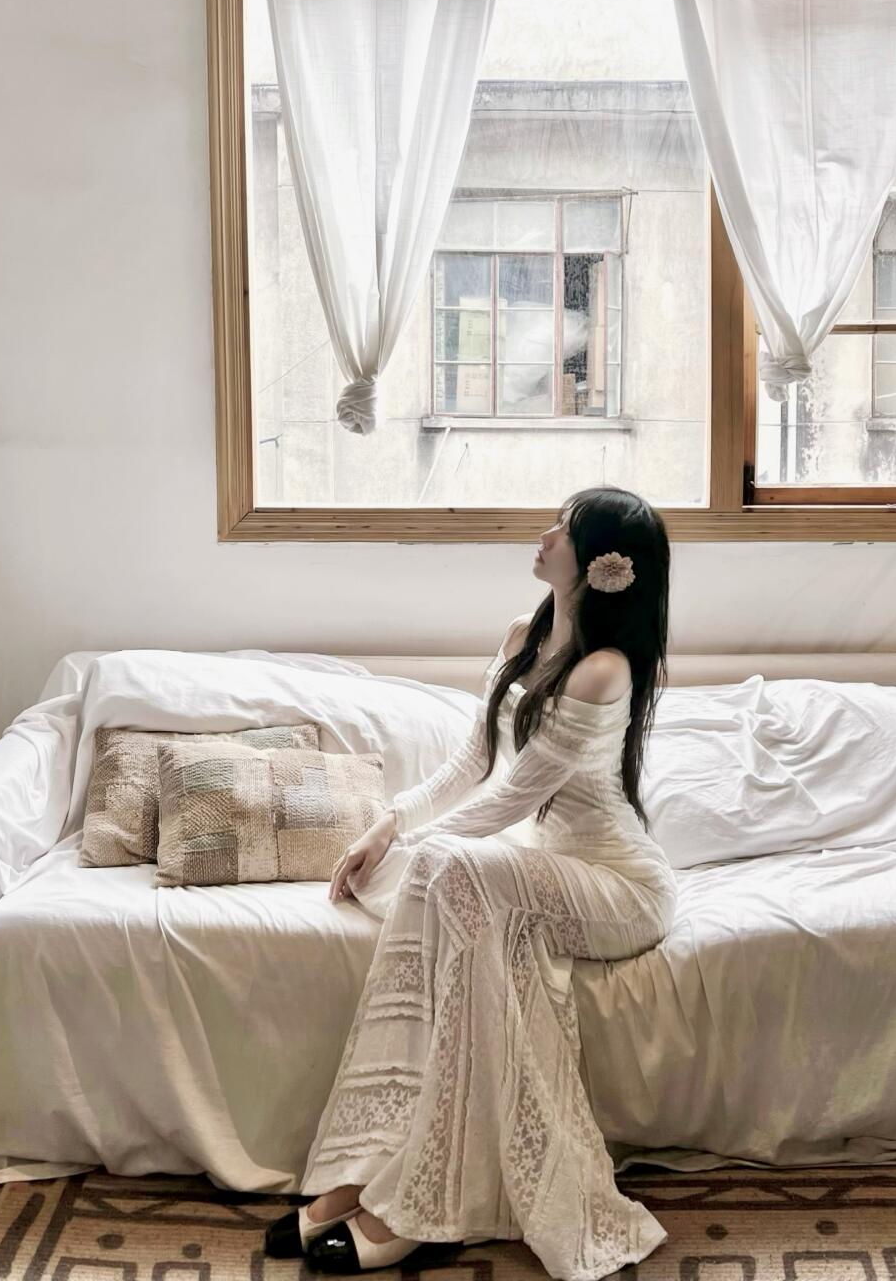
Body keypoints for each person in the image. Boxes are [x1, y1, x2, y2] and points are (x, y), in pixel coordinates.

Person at [264, 485, 678, 1281]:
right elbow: (473, 762)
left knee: (449, 871)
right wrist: (390, 823)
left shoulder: (603, 671)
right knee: (452, 893)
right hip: (539, 867)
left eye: (564, 528)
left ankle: (411, 1199)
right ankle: (371, 1174)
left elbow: (513, 799)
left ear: (603, 564)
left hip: (617, 886)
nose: (544, 534)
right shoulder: (525, 635)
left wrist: (417, 853)